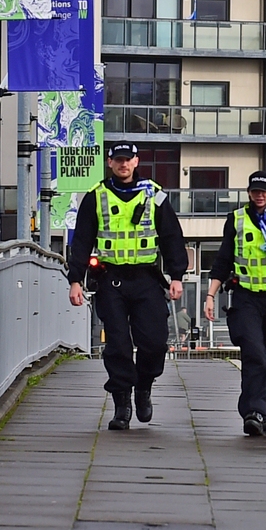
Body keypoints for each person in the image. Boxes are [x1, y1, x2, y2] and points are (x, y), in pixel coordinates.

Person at [65, 142, 187, 430]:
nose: (123, 164)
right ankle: (122, 403)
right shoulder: (96, 197)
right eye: (118, 160)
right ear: (110, 163)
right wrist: (75, 281)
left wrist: (177, 275)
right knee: (118, 344)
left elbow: (172, 237)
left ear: (136, 161)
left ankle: (144, 386)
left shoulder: (155, 196)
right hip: (111, 280)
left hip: (146, 279)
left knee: (155, 342)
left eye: (128, 159)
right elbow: (81, 242)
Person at [202, 171, 266, 437]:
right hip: (246, 298)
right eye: (254, 191)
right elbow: (223, 261)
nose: (259, 195)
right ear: (248, 192)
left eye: (263, 191)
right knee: (255, 356)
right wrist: (210, 295)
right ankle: (254, 412)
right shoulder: (236, 221)